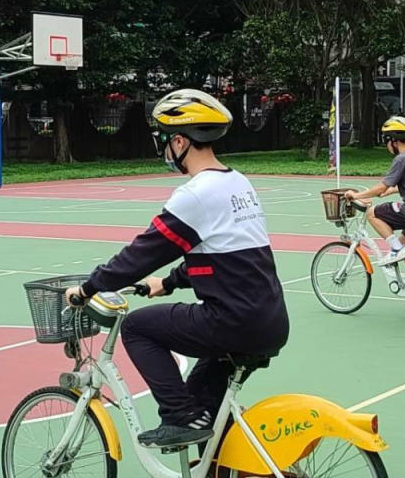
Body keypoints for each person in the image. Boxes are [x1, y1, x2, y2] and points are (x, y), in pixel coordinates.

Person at [64, 89, 289, 449]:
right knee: (207, 410)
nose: (165, 150)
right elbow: (226, 256)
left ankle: (178, 417)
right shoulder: (238, 183)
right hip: (269, 319)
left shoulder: (195, 193)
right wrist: (168, 283)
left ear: (181, 141)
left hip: (232, 322)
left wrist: (88, 289)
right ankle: (210, 444)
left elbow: (142, 254)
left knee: (138, 328)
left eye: (165, 141)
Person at [344, 116, 405, 298]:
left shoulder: (401, 159)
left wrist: (356, 195)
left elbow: (381, 186)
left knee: (373, 213)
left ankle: (395, 250)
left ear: (393, 141)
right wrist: (387, 193)